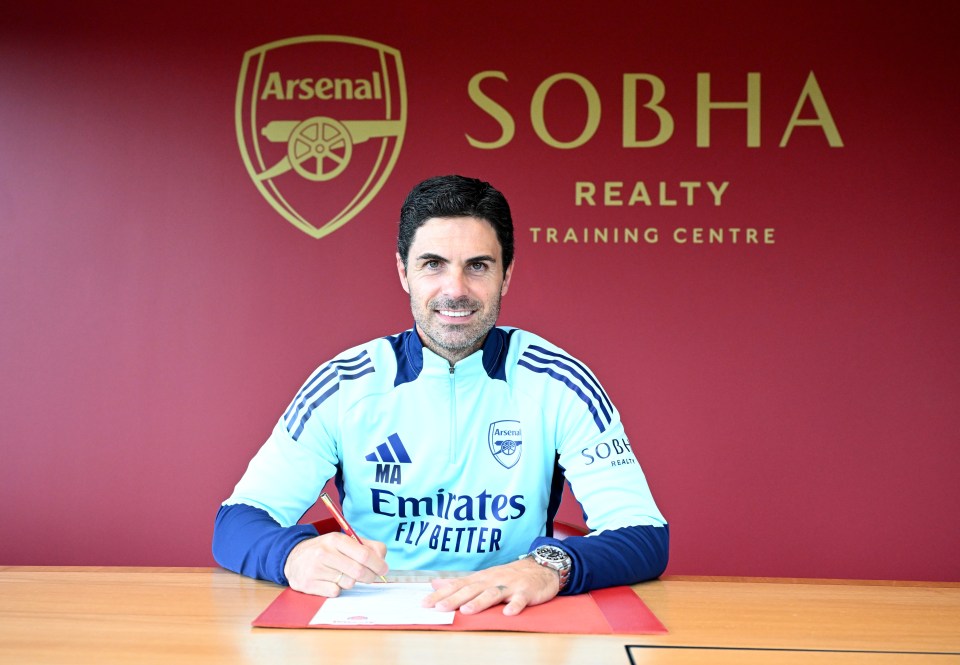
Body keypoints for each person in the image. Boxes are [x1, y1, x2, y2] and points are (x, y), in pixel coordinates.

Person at [213, 175, 668, 616]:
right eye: (433, 264)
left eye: (478, 266)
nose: (455, 289)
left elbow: (645, 534)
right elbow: (237, 522)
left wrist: (549, 567)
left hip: (508, 623)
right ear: (403, 272)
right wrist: (294, 557)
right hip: (369, 632)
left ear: (506, 275)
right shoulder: (344, 384)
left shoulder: (559, 382)